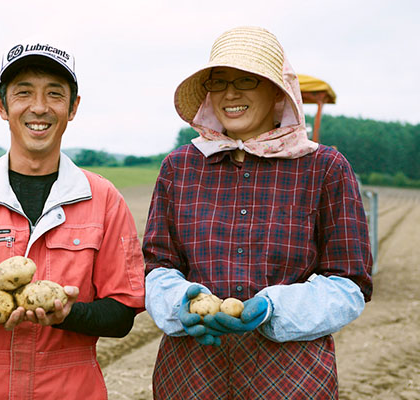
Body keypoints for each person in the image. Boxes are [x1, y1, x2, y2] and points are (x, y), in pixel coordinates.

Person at [143, 26, 372, 399]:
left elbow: (349, 284)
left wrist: (272, 308)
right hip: (190, 378)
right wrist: (180, 303)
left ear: (277, 91)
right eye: (219, 82)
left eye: (246, 80)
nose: (230, 93)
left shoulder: (323, 168)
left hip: (290, 380)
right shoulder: (180, 167)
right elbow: (158, 267)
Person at [0, 40, 146, 399]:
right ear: (2, 105)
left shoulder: (103, 200)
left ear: (73, 107)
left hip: (71, 388)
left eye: (54, 94)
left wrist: (67, 315)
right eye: (24, 93)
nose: (39, 108)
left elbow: (121, 314)